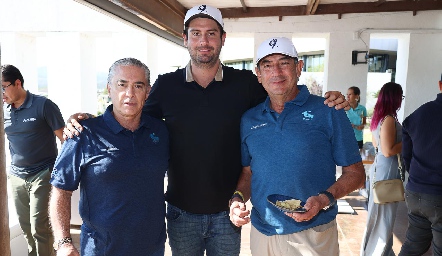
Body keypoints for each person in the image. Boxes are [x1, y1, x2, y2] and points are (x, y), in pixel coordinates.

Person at [64, 5, 349, 255]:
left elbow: (282, 95)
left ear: (223, 39)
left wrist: (327, 99)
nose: (204, 40)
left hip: (228, 212)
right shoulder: (166, 85)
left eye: (211, 33)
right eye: (196, 33)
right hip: (179, 212)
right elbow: (129, 113)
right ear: (185, 39)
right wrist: (91, 119)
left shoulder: (246, 83)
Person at [229, 37, 366, 255]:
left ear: (299, 67)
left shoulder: (329, 111)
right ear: (258, 74)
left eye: (284, 62)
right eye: (267, 65)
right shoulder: (249, 119)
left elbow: (356, 174)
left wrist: (323, 199)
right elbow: (248, 172)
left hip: (313, 234)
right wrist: (237, 198)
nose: (276, 72)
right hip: (262, 233)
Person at [49, 58, 169, 256]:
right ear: (109, 88)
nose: (129, 94)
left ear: (147, 92)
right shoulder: (82, 133)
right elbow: (61, 189)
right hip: (101, 250)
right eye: (122, 84)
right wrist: (63, 242)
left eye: (138, 86)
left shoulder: (161, 132)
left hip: (151, 249)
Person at [2, 64, 65, 256]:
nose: (1, 93)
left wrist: (61, 173)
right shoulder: (3, 110)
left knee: (40, 227)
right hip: (16, 176)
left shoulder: (44, 105)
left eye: (3, 87)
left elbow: (64, 139)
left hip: (43, 173)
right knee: (26, 227)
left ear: (18, 83)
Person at [398, 76, 442, 256]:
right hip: (439, 196)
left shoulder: (418, 114)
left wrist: (417, 177)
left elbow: (406, 155)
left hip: (415, 192)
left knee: (413, 247)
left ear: (440, 85)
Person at [360, 82, 404, 256]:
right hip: (387, 171)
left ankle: (380, 250)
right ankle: (378, 251)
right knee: (384, 216)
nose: (401, 100)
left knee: (379, 214)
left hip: (381, 170)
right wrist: (409, 140)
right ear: (394, 98)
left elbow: (378, 146)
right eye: (400, 96)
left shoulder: (380, 118)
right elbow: (388, 151)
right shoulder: (389, 119)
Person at [346, 86, 367, 151]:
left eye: (350, 94)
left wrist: (362, 126)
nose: (348, 97)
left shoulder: (363, 109)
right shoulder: (343, 108)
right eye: (347, 94)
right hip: (345, 138)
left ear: (356, 96)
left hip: (358, 138)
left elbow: (364, 123)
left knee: (358, 159)